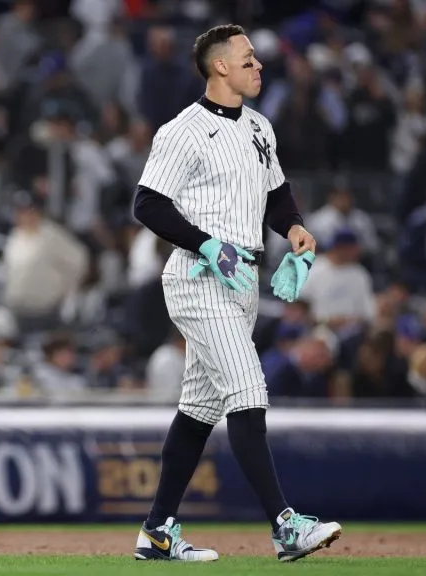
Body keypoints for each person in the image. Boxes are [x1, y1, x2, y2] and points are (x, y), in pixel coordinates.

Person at [130, 25, 341, 562]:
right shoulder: (182, 130)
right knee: (248, 391)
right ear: (219, 66)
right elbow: (147, 203)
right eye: (248, 59)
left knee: (199, 409)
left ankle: (157, 532)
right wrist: (205, 244)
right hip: (198, 277)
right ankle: (285, 527)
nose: (258, 65)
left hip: (243, 278)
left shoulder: (259, 127)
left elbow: (276, 193)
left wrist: (294, 227)